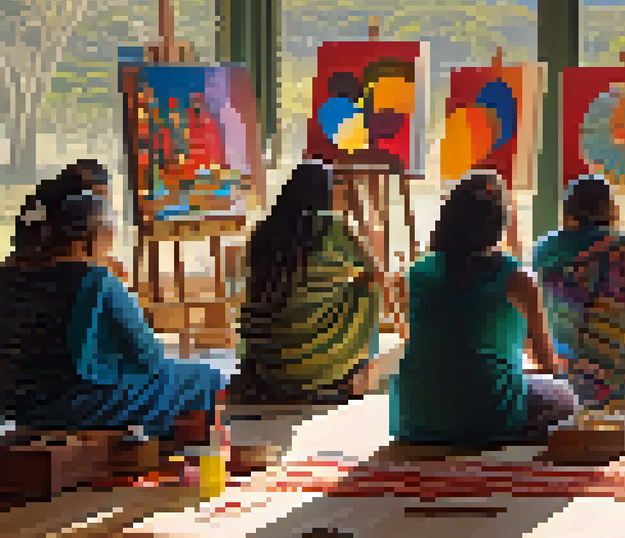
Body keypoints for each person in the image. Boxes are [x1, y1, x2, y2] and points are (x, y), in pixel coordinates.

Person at [0, 177, 226, 446]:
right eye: (108, 244)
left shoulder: (9, 277)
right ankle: (183, 458)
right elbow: (149, 359)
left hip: (16, 405)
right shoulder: (95, 279)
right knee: (203, 378)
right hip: (72, 406)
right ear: (88, 242)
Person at [391, 172, 576, 446]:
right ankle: (498, 429)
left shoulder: (417, 274)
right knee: (565, 398)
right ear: (500, 224)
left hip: (414, 416)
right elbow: (546, 361)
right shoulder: (516, 278)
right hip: (485, 413)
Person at [230, 160, 384, 406]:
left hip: (266, 365)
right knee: (367, 288)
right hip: (314, 365)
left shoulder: (262, 231)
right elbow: (377, 272)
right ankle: (356, 371)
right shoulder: (335, 227)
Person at [532, 176, 625, 412]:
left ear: (567, 210)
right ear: (610, 210)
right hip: (614, 373)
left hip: (560, 368)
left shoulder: (544, 251)